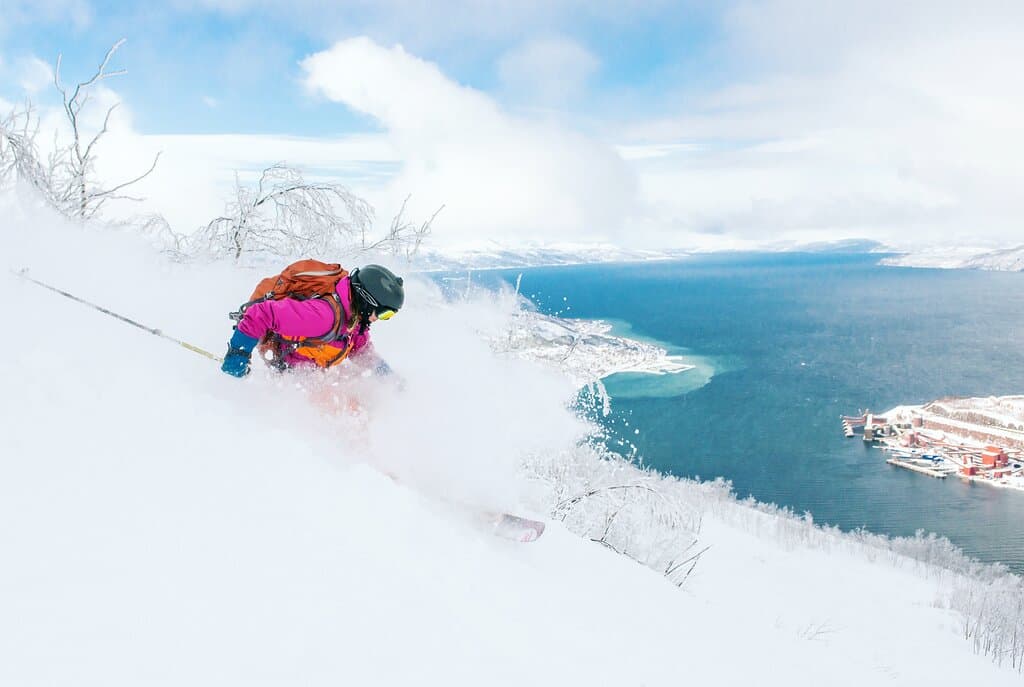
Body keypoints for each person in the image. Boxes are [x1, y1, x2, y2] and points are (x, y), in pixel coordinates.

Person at [220, 263, 404, 378]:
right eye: (384, 314)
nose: (382, 320)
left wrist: (386, 375)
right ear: (367, 301)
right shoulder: (323, 317)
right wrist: (239, 353)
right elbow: (261, 313)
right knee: (347, 409)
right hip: (289, 369)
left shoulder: (353, 313)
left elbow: (359, 347)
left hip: (311, 368)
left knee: (354, 386)